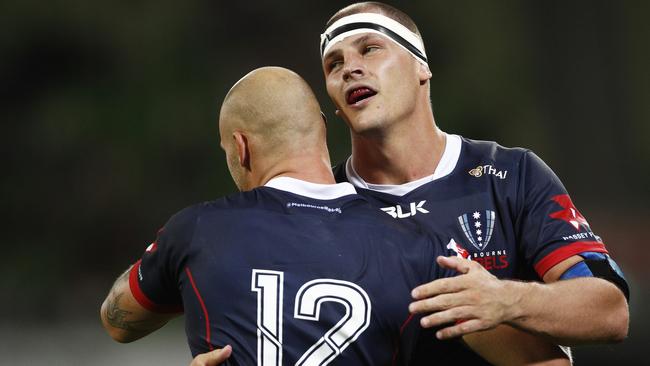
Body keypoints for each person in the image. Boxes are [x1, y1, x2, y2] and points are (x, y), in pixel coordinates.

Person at [102, 67, 570, 365]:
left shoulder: (196, 232)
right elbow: (542, 362)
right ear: (323, 131)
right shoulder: (414, 245)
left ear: (241, 149)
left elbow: (118, 320)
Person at [317, 1, 629, 363]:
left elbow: (611, 311)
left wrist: (503, 300)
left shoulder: (511, 174)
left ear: (421, 66)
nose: (350, 69)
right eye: (334, 64)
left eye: (370, 49)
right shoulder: (321, 205)